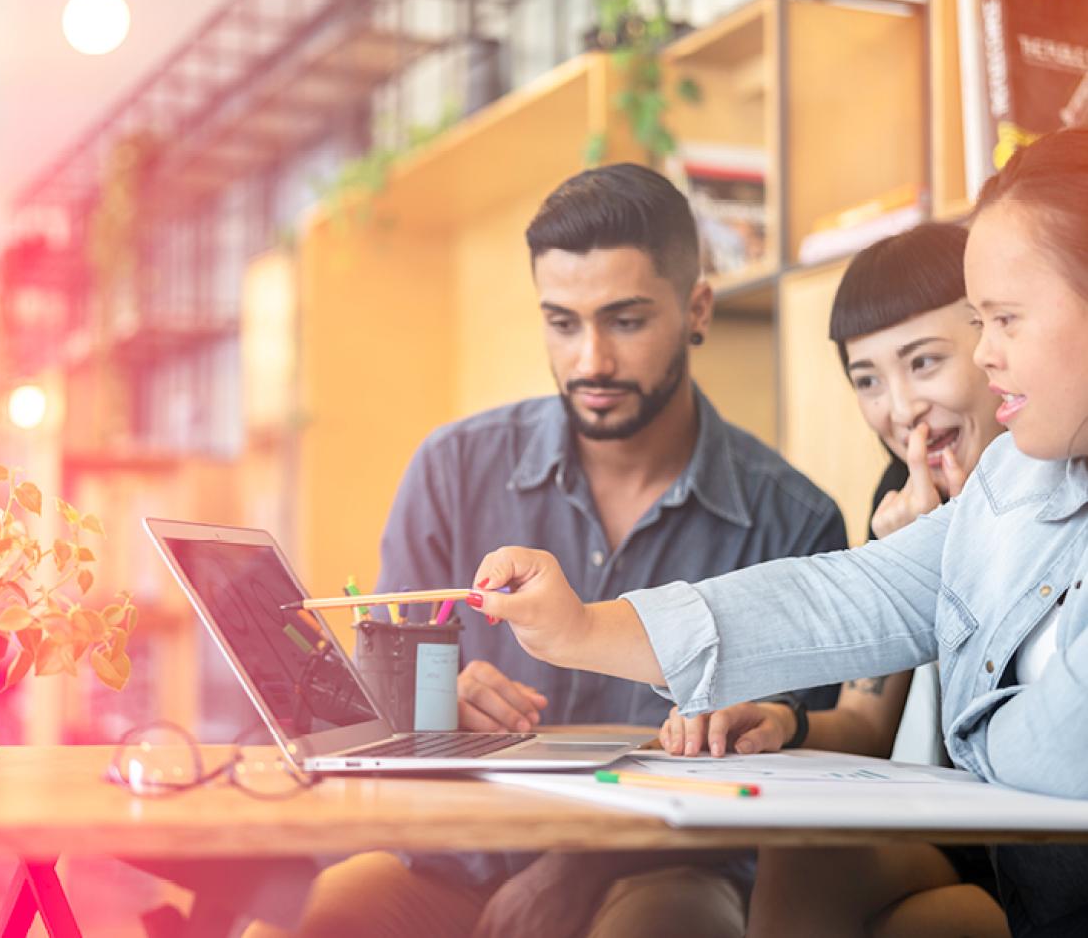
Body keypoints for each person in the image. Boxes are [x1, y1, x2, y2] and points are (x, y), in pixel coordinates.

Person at [469, 128, 1088, 938]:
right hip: (1036, 889)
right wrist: (584, 627)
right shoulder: (1020, 475)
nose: (985, 354)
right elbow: (843, 594)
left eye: (1004, 319)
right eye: (976, 321)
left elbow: (1054, 747)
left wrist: (960, 740)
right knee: (812, 857)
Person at [271, 163, 848, 938]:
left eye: (627, 320)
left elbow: (789, 775)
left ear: (696, 308)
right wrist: (425, 702)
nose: (590, 362)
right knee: (322, 914)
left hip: (663, 872)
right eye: (563, 322)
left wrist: (581, 866)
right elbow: (375, 713)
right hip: (457, 861)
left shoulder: (792, 522)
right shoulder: (452, 470)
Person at [658, 222, 1008, 936]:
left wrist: (947, 562)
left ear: (994, 338)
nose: (900, 408)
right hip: (967, 829)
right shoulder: (903, 487)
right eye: (867, 380)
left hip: (1045, 838)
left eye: (924, 362)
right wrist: (783, 720)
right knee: (801, 852)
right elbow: (867, 719)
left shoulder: (1050, 469)